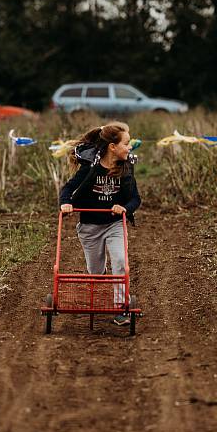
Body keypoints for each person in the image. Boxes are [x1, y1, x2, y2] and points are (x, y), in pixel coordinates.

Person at [59, 122, 141, 326]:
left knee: (121, 261)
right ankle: (101, 273)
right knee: (95, 273)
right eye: (127, 143)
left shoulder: (126, 169)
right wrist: (66, 204)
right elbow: (68, 188)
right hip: (90, 226)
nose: (130, 147)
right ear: (112, 147)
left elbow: (135, 199)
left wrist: (125, 208)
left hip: (114, 224)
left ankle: (121, 306)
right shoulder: (90, 168)